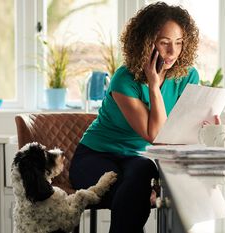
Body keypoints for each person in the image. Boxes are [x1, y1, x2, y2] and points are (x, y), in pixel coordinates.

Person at [69, 2, 200, 233]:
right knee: (137, 191)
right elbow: (155, 135)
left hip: (137, 161)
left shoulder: (188, 76)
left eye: (179, 43)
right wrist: (154, 86)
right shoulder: (124, 78)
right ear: (146, 42)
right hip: (96, 156)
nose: (172, 52)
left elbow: (182, 131)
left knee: (141, 173)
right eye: (164, 43)